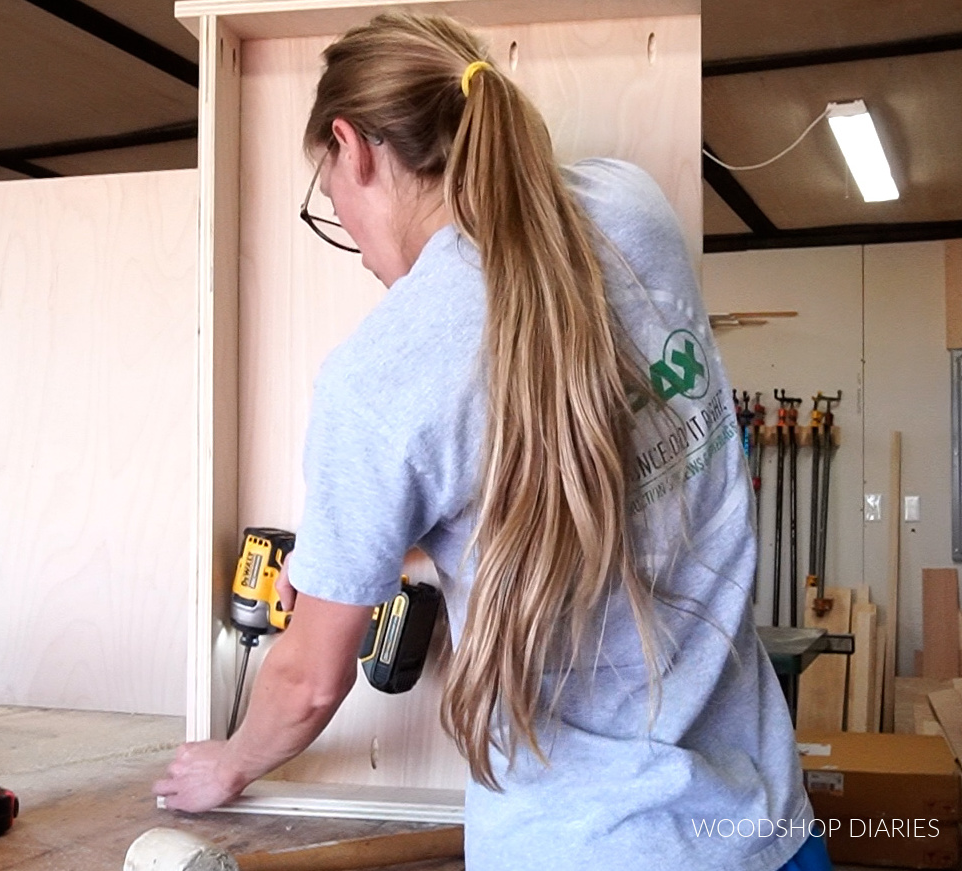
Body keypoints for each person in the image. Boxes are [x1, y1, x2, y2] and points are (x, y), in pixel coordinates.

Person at [154, 13, 829, 871]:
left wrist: (229, 761)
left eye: (335, 206)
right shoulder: (632, 206)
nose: (358, 248)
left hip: (586, 848)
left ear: (352, 147)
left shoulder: (380, 376)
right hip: (766, 823)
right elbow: (587, 465)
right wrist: (433, 545)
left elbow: (309, 681)